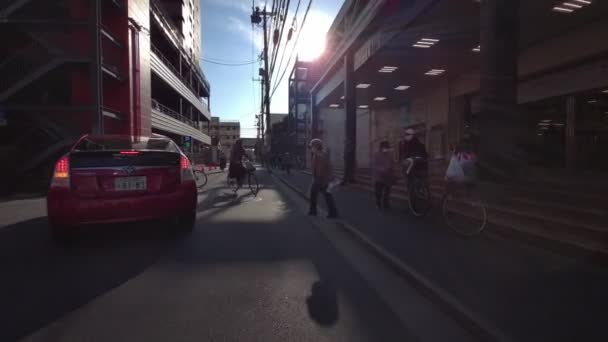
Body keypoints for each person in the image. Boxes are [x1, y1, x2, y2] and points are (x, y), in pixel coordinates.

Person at [308, 139, 338, 218]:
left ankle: (313, 211)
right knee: (327, 195)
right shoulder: (322, 154)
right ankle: (333, 213)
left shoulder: (319, 155)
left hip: (320, 179)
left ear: (316, 146)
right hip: (324, 179)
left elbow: (320, 168)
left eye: (312, 146)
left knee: (314, 195)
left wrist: (317, 179)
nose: (311, 148)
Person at [373, 140, 395, 210]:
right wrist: (382, 170)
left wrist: (392, 173)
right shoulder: (376, 155)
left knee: (387, 192)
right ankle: (378, 204)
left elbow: (392, 164)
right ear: (381, 147)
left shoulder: (390, 155)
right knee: (378, 192)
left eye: (387, 147)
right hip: (379, 176)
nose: (386, 149)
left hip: (387, 176)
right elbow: (375, 165)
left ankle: (385, 204)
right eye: (385, 147)